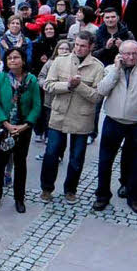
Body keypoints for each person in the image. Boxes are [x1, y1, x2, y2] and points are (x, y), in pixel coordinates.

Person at [93, 41, 137, 216]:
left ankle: (134, 198)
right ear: (120, 54)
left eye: (134, 53)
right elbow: (101, 90)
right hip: (113, 121)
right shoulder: (111, 69)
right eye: (127, 54)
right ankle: (102, 195)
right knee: (105, 161)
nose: (131, 57)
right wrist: (116, 71)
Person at [39, 32, 104, 203]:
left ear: (91, 47)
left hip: (82, 118)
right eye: (76, 44)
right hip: (59, 114)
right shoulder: (60, 60)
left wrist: (79, 86)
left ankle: (70, 190)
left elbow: (97, 97)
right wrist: (67, 85)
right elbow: (48, 84)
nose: (79, 48)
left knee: (76, 157)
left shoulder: (98, 67)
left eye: (83, 45)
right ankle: (46, 188)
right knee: (51, 154)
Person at [0, 47, 41, 213]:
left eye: (16, 58)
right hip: (4, 128)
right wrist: (6, 124)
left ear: (23, 60)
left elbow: (37, 105)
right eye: (9, 58)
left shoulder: (31, 80)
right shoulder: (1, 78)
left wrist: (25, 125)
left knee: (20, 164)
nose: (12, 61)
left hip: (23, 128)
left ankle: (19, 199)